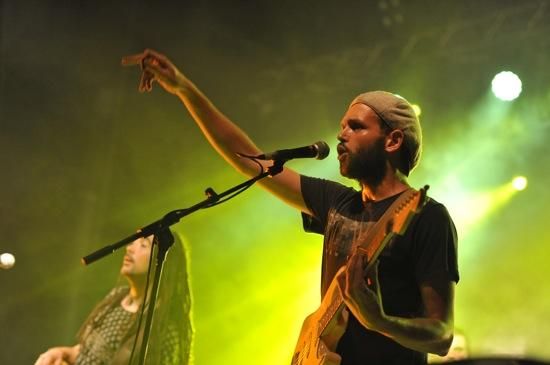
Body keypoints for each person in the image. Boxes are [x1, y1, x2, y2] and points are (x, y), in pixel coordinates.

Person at [122, 49, 459, 365]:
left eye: (356, 127)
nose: (341, 135)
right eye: (342, 126)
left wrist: (379, 320)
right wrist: (184, 89)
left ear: (393, 140)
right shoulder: (338, 203)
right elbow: (248, 159)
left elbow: (440, 336)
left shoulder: (426, 216)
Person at [34, 231, 193, 365]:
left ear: (164, 260)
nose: (129, 249)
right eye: (132, 242)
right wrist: (60, 353)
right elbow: (86, 353)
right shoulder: (116, 297)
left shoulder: (162, 328)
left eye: (143, 245)